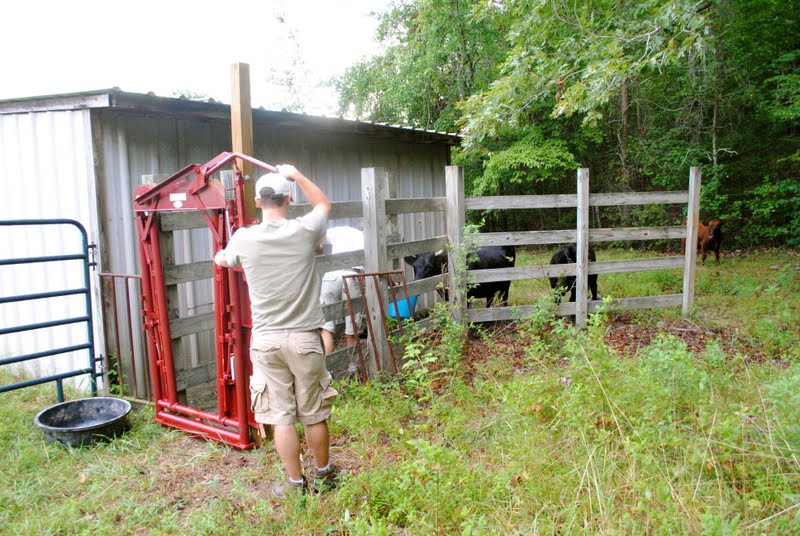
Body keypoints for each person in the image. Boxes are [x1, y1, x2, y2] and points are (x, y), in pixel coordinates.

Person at [213, 164, 341, 497]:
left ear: (258, 201)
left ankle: (295, 485)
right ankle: (325, 477)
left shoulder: (244, 237)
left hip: (267, 340)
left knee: (282, 416)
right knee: (313, 413)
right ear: (287, 199)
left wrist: (221, 258)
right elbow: (324, 204)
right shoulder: (303, 231)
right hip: (305, 338)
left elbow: (226, 259)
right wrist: (297, 174)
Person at [319, 226, 365, 355]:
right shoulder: (369, 239)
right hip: (351, 275)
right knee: (352, 330)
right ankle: (352, 368)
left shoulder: (342, 230)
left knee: (327, 327)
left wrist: (319, 245)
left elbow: (319, 233)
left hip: (331, 276)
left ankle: (328, 369)